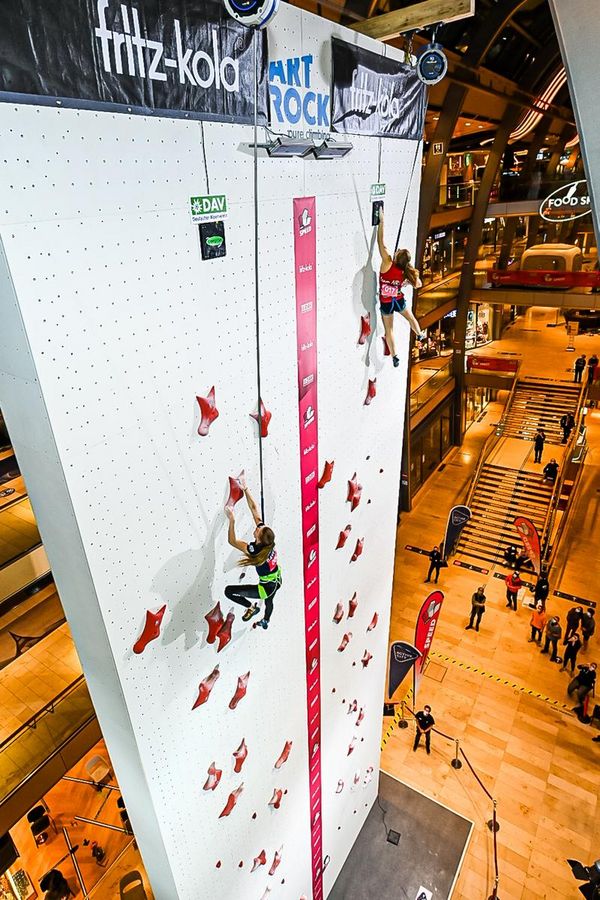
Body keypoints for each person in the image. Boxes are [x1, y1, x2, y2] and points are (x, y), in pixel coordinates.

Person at [224, 482, 282, 630]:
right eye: (260, 526)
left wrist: (232, 520)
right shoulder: (268, 540)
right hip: (277, 579)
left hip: (265, 588)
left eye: (258, 530)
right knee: (270, 602)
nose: (257, 527)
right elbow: (255, 510)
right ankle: (266, 620)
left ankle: (252, 607)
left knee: (229, 592)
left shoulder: (255, 551)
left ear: (259, 540)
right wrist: (245, 488)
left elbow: (232, 541)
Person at [376, 210, 422, 368]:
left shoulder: (387, 262)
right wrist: (406, 282)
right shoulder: (405, 273)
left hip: (387, 302)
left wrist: (381, 222)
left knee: (389, 330)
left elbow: (380, 242)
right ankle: (420, 334)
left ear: (396, 256)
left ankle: (395, 356)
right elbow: (419, 284)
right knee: (410, 318)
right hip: (398, 299)